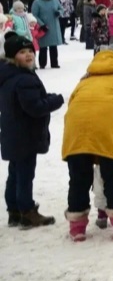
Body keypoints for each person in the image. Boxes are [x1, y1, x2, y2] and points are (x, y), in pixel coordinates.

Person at [61, 47, 113, 242]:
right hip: (108, 130)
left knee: (78, 178)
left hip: (76, 130)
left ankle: (77, 226)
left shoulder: (84, 80)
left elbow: (72, 106)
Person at [1, 32, 64, 229]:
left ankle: (14, 211)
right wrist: (55, 100)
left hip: (12, 132)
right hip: (26, 135)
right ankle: (27, 212)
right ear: (12, 56)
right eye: (22, 52)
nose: (28, 55)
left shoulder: (8, 75)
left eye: (30, 51)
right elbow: (35, 108)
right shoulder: (24, 79)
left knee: (15, 172)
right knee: (25, 174)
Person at [30, 0, 62, 69]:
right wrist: (41, 24)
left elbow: (61, 8)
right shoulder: (37, 2)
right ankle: (42, 63)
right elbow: (34, 15)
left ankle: (54, 63)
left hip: (54, 26)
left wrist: (59, 13)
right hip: (43, 28)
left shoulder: (55, 0)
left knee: (53, 46)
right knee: (43, 47)